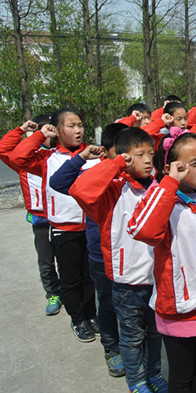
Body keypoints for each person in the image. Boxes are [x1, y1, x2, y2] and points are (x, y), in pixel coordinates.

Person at [127, 128, 196, 393]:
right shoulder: (161, 199)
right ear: (171, 168)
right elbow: (143, 230)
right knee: (182, 376)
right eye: (192, 164)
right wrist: (170, 183)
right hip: (180, 309)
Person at [67, 127, 166, 392]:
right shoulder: (113, 191)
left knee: (155, 333)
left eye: (150, 154)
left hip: (156, 279)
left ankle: (154, 374)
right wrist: (117, 164)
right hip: (127, 281)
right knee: (132, 336)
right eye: (139, 155)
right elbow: (80, 190)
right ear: (124, 158)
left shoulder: (160, 187)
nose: (148, 160)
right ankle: (137, 381)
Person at [10, 108, 100, 342]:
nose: (78, 130)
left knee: (89, 277)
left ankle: (91, 315)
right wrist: (40, 135)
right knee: (70, 280)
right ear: (57, 130)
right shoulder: (47, 159)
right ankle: (78, 319)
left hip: (91, 229)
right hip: (64, 230)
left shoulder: (94, 155)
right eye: (71, 126)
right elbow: (16, 158)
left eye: (80, 125)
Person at [49, 123, 128, 378]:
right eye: (123, 150)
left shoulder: (138, 176)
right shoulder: (94, 174)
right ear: (107, 151)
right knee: (107, 303)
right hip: (102, 255)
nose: (129, 156)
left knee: (133, 307)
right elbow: (58, 182)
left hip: (133, 257)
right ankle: (112, 348)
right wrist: (82, 157)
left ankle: (134, 349)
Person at [0, 115, 61, 315]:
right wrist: (21, 130)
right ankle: (53, 293)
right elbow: (3, 149)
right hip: (41, 219)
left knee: (70, 259)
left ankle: (71, 291)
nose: (50, 135)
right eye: (45, 132)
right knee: (46, 261)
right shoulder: (25, 161)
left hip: (63, 217)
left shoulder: (57, 155)